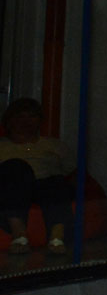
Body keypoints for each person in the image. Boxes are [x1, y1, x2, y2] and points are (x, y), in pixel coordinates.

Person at [0, 99, 74, 255]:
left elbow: (72, 170)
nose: (26, 121)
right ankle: (19, 235)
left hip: (46, 187)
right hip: (12, 189)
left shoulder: (54, 145)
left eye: (32, 116)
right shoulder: (2, 145)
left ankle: (57, 238)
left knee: (56, 181)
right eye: (20, 117)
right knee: (16, 167)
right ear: (9, 121)